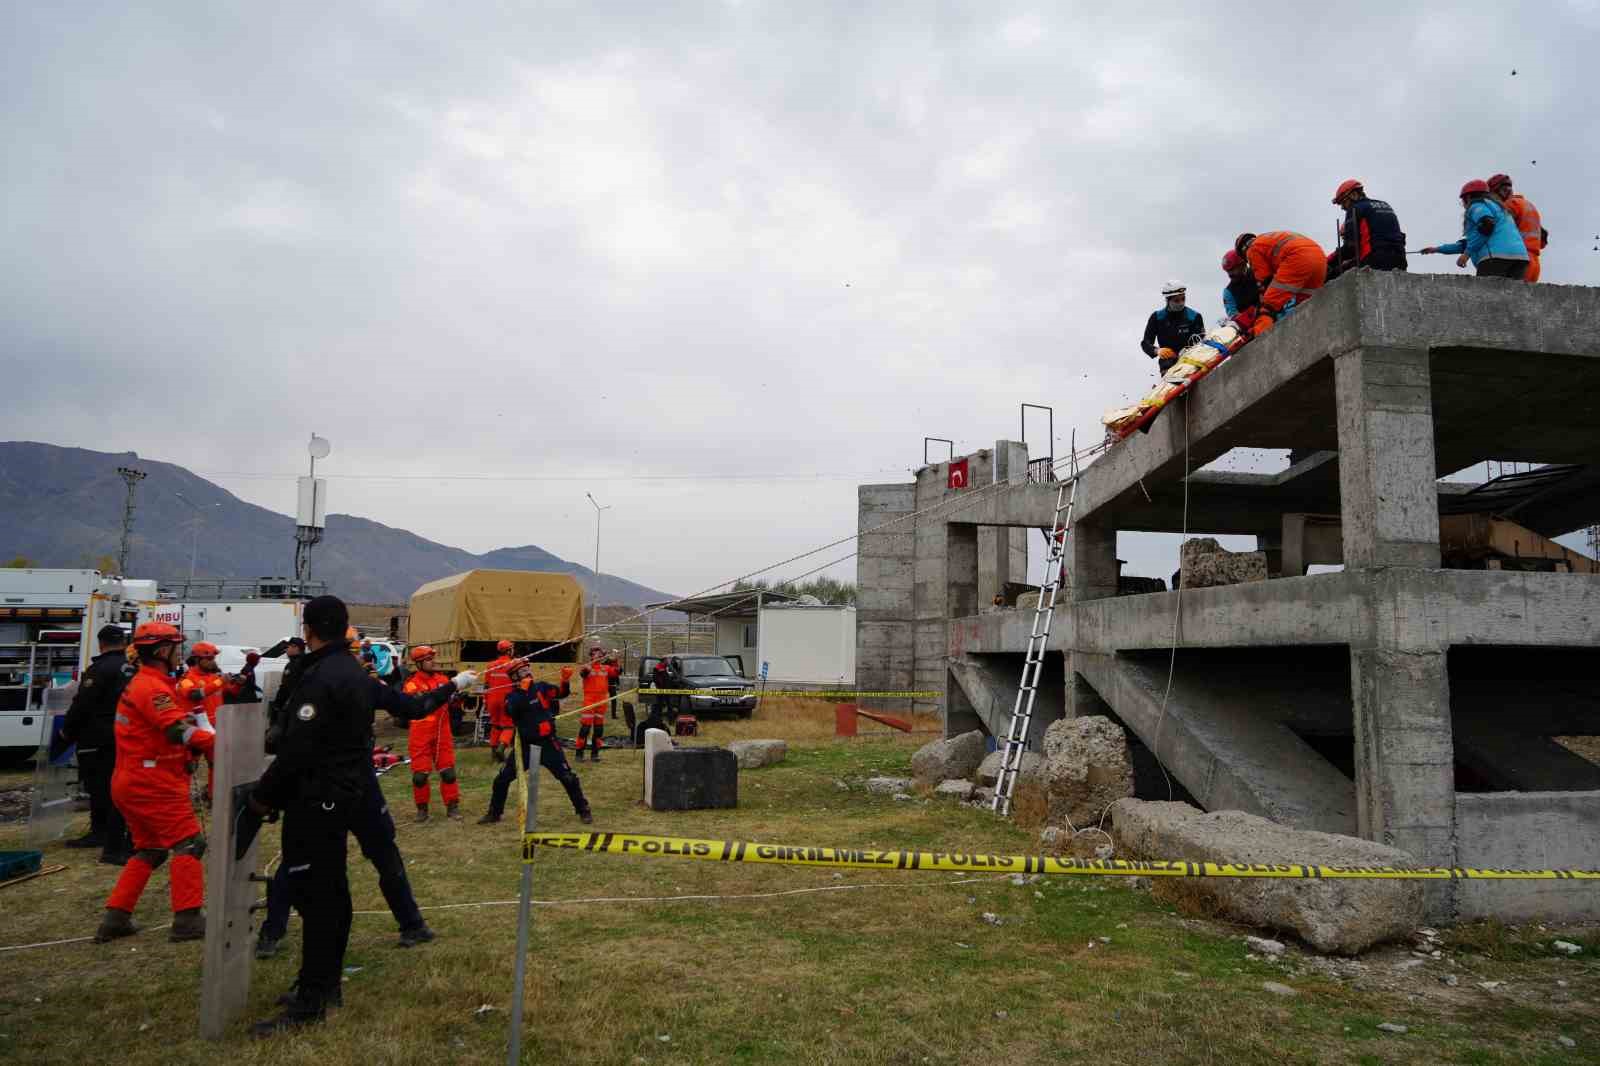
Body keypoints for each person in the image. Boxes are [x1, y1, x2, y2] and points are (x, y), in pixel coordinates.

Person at [255, 631, 473, 961]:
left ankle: (411, 924)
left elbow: (412, 707)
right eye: (358, 652)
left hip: (345, 782)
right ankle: (273, 931)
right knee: (311, 860)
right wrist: (454, 684)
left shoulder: (330, 681)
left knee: (375, 855)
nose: (361, 659)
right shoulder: (330, 683)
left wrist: (452, 685)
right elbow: (414, 707)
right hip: (334, 784)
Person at [241, 596, 377, 1034]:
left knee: (316, 899)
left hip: (316, 799)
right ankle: (323, 984)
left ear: (310, 629)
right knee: (332, 894)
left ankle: (311, 1002)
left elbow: (298, 750)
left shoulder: (321, 677)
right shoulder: (353, 671)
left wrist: (263, 797)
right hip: (342, 795)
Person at [93, 622, 215, 944]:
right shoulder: (152, 688)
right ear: (162, 651)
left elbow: (165, 728)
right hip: (152, 782)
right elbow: (176, 730)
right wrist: (216, 742)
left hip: (132, 780)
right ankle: (188, 919)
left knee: (151, 849)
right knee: (190, 844)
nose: (180, 653)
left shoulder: (148, 683)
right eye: (176, 647)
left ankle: (116, 918)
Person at [478, 662, 591, 825]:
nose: (527, 672)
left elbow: (562, 693)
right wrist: (523, 692)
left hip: (548, 744)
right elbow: (511, 711)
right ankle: (494, 813)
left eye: (527, 669)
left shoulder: (541, 687)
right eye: (523, 671)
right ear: (514, 677)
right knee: (501, 779)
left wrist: (565, 680)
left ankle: (583, 810)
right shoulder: (511, 696)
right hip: (525, 746)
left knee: (568, 777)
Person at [59, 624, 134, 865]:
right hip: (125, 736)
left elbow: (83, 704)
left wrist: (66, 731)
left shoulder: (99, 669)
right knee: (118, 785)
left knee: (99, 785)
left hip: (97, 736)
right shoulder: (132, 668)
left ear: (101, 644)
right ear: (123, 643)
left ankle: (101, 832)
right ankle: (117, 832)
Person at [1420, 180, 1529, 279]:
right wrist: (1436, 249)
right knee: (1510, 293)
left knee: (1486, 292)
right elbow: (1470, 243)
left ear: (1468, 197)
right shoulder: (1501, 210)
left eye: (1463, 200)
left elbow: (1487, 225)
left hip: (1496, 257)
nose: (1464, 204)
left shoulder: (1477, 205)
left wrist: (1467, 254)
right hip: (1521, 258)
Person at [177, 641, 243, 802]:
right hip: (196, 729)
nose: (213, 661)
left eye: (213, 658)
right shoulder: (187, 678)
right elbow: (194, 694)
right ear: (197, 659)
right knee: (188, 766)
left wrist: (238, 684)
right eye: (209, 659)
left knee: (216, 765)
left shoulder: (213, 677)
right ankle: (180, 798)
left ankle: (213, 797)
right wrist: (220, 682)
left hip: (215, 728)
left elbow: (230, 691)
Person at [401, 646, 460, 820]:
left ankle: (452, 806)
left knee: (448, 773)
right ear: (419, 663)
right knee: (420, 777)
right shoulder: (411, 684)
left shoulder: (443, 679)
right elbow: (422, 702)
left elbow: (450, 699)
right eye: (428, 660)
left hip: (442, 732)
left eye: (432, 658)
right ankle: (422, 809)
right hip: (420, 734)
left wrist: (456, 698)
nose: (433, 662)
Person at [1236, 231, 1329, 337]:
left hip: (1297, 259)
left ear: (1243, 251)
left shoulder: (1252, 250)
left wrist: (1263, 304)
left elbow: (1266, 280)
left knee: (1267, 307)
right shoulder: (1267, 238)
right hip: (1319, 258)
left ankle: (1261, 338)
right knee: (1305, 304)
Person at [1327, 179, 1408, 277]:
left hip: (1374, 262)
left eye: (1343, 202)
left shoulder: (1355, 208)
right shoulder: (1385, 205)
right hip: (1400, 261)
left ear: (1353, 195)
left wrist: (1328, 262)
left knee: (1332, 274)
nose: (1343, 207)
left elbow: (1350, 248)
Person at [1488, 173, 1547, 282]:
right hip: (1534, 263)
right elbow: (1543, 241)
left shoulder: (1510, 205)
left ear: (1499, 191)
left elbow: (1499, 229)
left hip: (1519, 262)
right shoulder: (1527, 205)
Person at [1139, 281, 1205, 375]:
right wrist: (1157, 351)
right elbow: (1145, 343)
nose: (1181, 303)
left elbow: (1202, 342)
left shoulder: (1194, 316)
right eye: (1176, 300)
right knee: (1168, 364)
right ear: (1167, 300)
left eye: (1183, 299)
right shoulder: (1157, 318)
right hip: (1168, 364)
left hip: (1191, 360)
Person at [482, 639, 516, 762]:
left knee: (495, 725)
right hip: (507, 700)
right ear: (509, 651)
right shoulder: (514, 664)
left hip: (492, 700)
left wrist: (485, 700)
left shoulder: (490, 665)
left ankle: (493, 754)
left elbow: (486, 685)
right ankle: (501, 749)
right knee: (509, 726)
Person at [574, 651, 612, 762]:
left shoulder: (605, 668)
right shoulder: (587, 667)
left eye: (600, 654)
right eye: (596, 654)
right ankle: (579, 753)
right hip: (589, 701)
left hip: (602, 701)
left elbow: (617, 672)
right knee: (585, 729)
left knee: (599, 729)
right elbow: (583, 674)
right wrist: (590, 665)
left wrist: (614, 660)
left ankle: (595, 754)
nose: (599, 655)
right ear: (591, 656)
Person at [1220, 250, 1260, 322]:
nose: (1230, 274)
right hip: (1252, 324)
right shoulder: (1228, 292)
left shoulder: (1258, 273)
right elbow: (1233, 316)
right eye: (1228, 271)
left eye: (1232, 269)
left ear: (1242, 264)